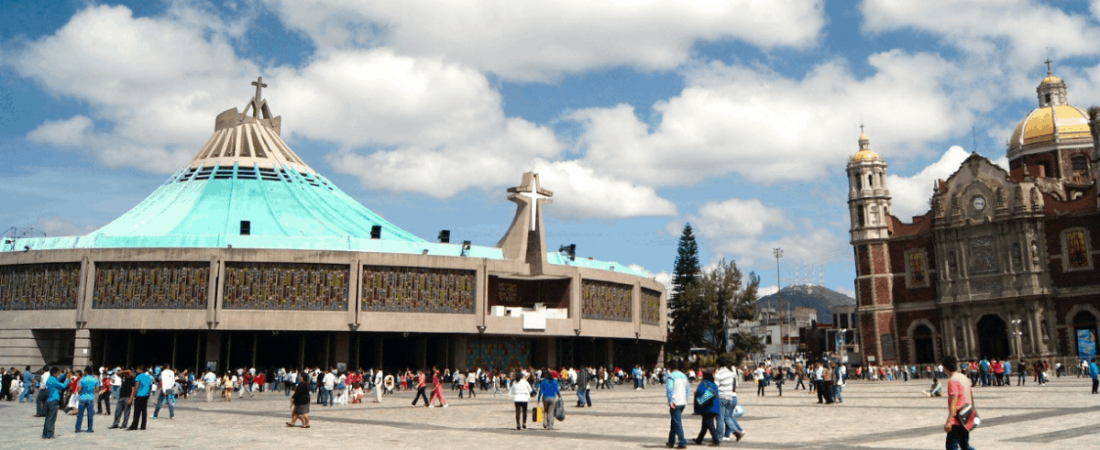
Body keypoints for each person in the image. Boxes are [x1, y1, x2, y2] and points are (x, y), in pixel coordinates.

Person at [943, 356, 976, 450]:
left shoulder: (952, 381)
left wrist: (949, 420)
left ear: (945, 368)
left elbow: (954, 401)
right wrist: (972, 411)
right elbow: (971, 396)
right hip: (967, 416)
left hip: (957, 419)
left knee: (951, 446)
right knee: (964, 445)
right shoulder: (963, 377)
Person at [714, 358, 745, 442]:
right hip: (730, 397)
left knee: (720, 417)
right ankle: (736, 431)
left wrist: (703, 398)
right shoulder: (730, 373)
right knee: (727, 417)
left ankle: (719, 436)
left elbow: (714, 387)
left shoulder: (718, 374)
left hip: (721, 397)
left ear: (718, 365)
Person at [664, 360, 690, 449]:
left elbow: (669, 390)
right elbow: (687, 390)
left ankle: (682, 441)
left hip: (675, 401)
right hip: (682, 401)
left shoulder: (671, 376)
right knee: (674, 421)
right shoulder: (684, 376)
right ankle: (671, 441)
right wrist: (686, 400)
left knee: (677, 422)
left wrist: (670, 401)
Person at [692, 370, 720, 446]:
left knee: (710, 425)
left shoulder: (704, 383)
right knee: (705, 425)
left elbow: (700, 391)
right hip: (715, 406)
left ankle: (716, 440)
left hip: (707, 407)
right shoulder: (713, 384)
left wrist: (696, 394)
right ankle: (699, 439)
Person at [42, 367, 69, 439]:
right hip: (54, 401)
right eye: (58, 373)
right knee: (52, 418)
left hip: (49, 400)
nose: (58, 374)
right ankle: (50, 434)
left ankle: (45, 433)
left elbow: (58, 378)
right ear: (54, 373)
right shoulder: (53, 381)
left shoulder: (50, 379)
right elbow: (63, 386)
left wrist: (64, 374)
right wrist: (67, 379)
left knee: (48, 418)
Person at [127, 366, 153, 431]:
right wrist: (148, 394)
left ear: (140, 370)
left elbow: (136, 387)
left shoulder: (138, 377)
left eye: (137, 369)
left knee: (137, 412)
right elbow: (150, 386)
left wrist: (133, 395)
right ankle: (143, 426)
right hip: (145, 395)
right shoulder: (148, 377)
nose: (136, 370)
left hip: (139, 395)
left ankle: (134, 425)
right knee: (144, 411)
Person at [75, 366, 98, 433]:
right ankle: (90, 428)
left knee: (80, 414)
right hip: (90, 398)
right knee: (90, 414)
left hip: (82, 398)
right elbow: (97, 389)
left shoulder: (82, 379)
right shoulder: (95, 379)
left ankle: (78, 428)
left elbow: (78, 390)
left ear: (85, 372)